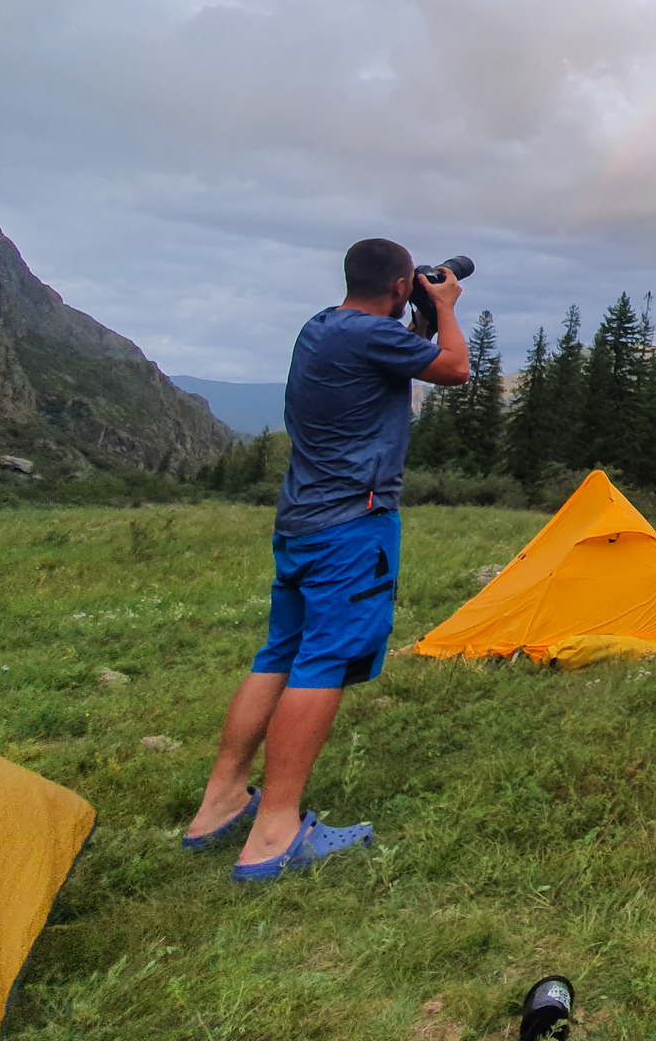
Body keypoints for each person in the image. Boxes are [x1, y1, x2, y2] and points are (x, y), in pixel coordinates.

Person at [182, 238, 469, 881]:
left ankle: (221, 801)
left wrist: (415, 318)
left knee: (278, 654)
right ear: (400, 287)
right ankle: (275, 832)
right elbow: (453, 368)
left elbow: (395, 353)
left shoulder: (321, 328)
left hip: (301, 523)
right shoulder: (373, 337)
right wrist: (445, 306)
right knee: (325, 663)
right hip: (350, 528)